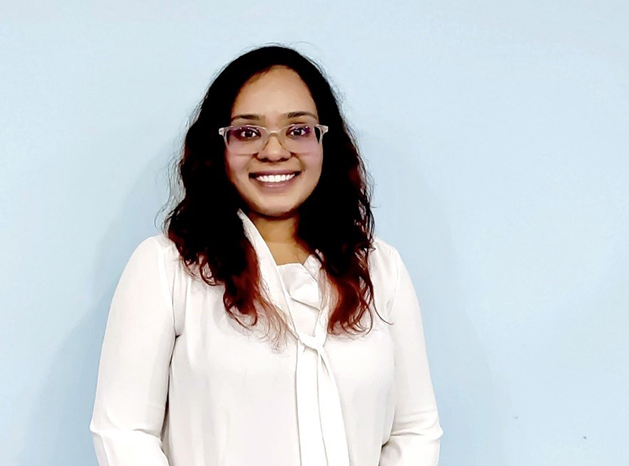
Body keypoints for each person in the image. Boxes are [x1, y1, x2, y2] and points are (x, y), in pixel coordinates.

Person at [89, 45, 443, 466]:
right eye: (248, 132)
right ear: (218, 146)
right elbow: (123, 431)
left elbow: (414, 429)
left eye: (298, 130)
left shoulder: (380, 269)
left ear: (325, 141)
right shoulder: (167, 269)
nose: (274, 151)